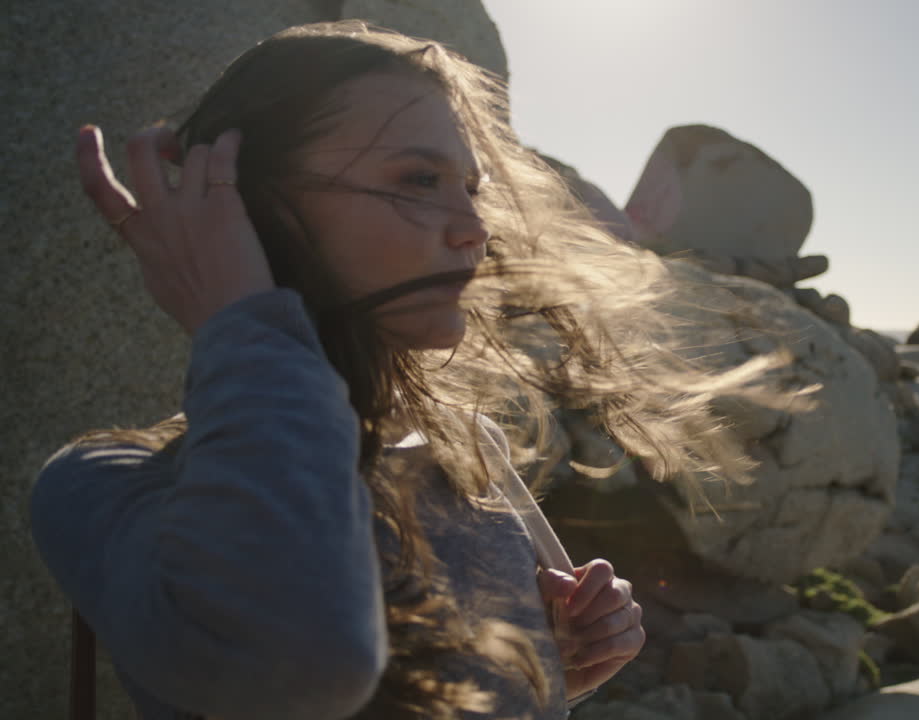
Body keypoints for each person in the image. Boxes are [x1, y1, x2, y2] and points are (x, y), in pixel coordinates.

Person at [30, 20, 767, 720]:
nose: (474, 228)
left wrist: (551, 671)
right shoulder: (108, 483)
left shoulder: (469, 451)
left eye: (470, 188)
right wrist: (239, 321)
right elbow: (307, 662)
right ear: (249, 205)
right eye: (418, 179)